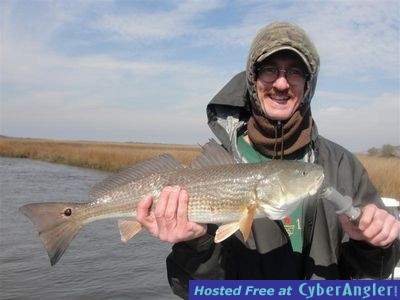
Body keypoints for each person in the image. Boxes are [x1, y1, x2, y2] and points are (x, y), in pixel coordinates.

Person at [136, 22, 400, 298]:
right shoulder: (217, 163)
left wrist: (373, 244)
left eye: (295, 71)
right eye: (269, 70)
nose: (282, 83)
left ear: (308, 84)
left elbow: (372, 277)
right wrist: (195, 245)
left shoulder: (343, 166)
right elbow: (189, 290)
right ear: (252, 79)